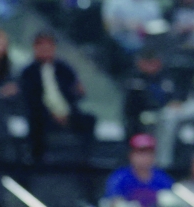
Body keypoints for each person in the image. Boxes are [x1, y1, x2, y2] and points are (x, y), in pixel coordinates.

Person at [19, 31, 96, 164]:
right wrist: (51, 113)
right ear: (35, 48)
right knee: (35, 121)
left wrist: (78, 93)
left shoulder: (64, 69)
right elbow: (31, 99)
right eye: (42, 47)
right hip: (42, 114)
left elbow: (75, 93)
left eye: (49, 46)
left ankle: (85, 159)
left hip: (67, 112)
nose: (46, 50)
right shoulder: (29, 72)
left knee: (89, 120)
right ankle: (37, 159)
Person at [104, 133, 174, 207]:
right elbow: (112, 201)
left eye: (148, 153)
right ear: (131, 155)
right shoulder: (119, 178)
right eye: (140, 153)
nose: (144, 158)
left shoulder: (163, 179)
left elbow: (172, 200)